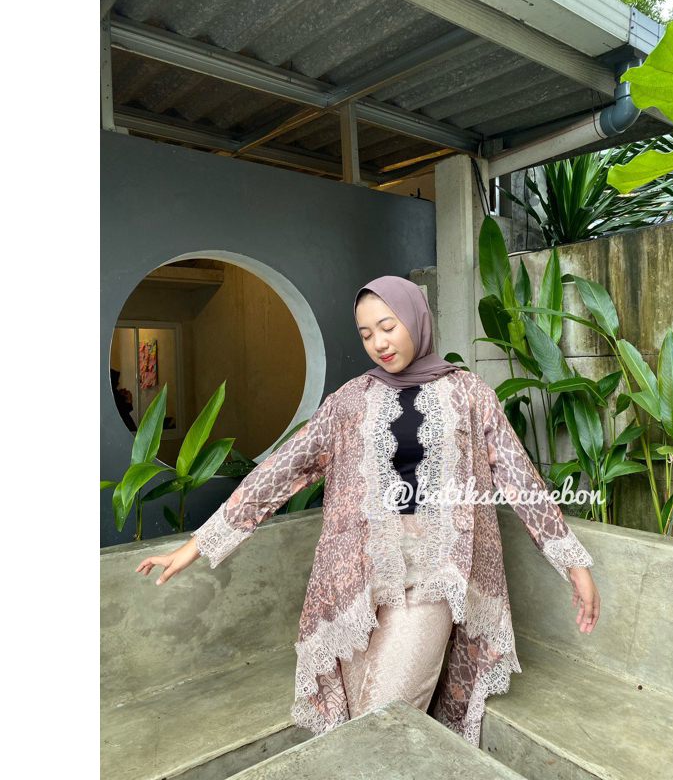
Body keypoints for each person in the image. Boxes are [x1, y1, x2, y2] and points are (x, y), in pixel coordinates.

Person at [135, 275, 600, 746]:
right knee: (361, 723)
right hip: (362, 584)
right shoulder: (350, 401)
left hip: (435, 576)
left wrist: (574, 564)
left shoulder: (470, 394)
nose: (379, 343)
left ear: (416, 320)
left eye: (388, 327)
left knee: (382, 718)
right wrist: (197, 545)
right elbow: (282, 470)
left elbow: (520, 478)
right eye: (366, 334)